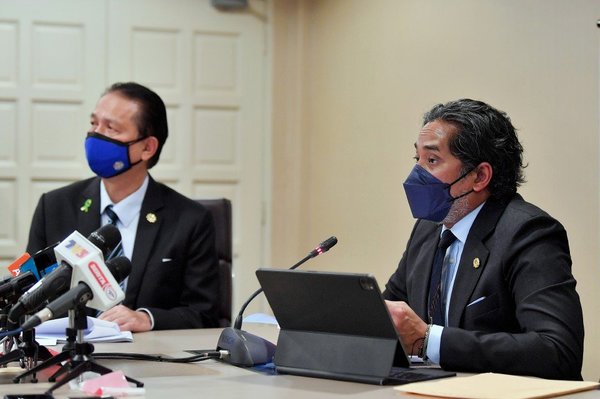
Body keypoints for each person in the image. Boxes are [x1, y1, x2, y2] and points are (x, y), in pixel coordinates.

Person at [384, 99, 584, 380]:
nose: (415, 174)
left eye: (432, 160)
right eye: (416, 159)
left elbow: (558, 351)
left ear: (479, 176)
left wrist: (430, 340)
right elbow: (390, 320)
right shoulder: (428, 229)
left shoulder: (528, 233)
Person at [27, 82, 220, 332]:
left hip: (150, 361)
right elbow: (31, 297)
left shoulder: (190, 220)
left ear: (147, 147)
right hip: (65, 358)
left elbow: (204, 315)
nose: (96, 135)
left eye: (111, 128)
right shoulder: (54, 207)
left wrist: (148, 319)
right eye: (94, 123)